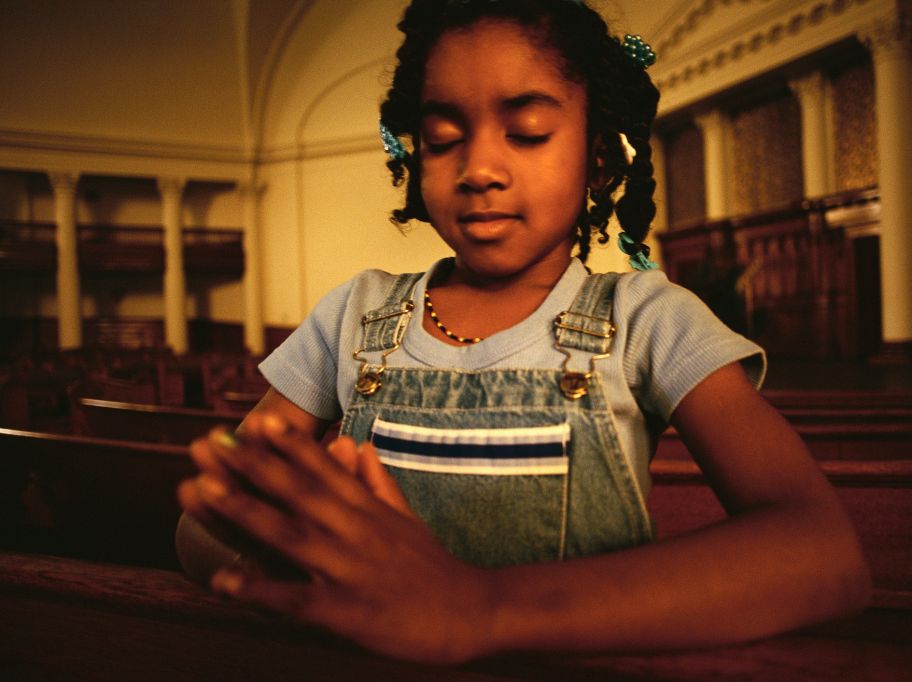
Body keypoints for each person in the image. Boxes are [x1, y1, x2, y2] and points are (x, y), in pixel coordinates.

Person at [176, 0, 870, 666]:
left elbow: (822, 553)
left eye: (529, 131)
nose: (478, 170)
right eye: (444, 138)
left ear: (598, 160)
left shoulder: (647, 321)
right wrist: (304, 574)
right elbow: (208, 517)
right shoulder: (355, 316)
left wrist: (477, 607)